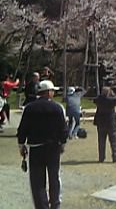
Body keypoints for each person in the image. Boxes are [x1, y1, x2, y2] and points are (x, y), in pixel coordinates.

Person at [17, 80, 68, 209]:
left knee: (37, 181)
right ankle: (55, 204)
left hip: (36, 148)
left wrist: (21, 144)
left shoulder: (30, 108)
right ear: (48, 92)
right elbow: (63, 129)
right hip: (53, 148)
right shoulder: (57, 108)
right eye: (52, 91)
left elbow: (23, 128)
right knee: (54, 177)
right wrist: (63, 143)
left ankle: (42, 206)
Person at [93, 86, 116, 163]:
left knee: (101, 141)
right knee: (113, 141)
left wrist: (102, 95)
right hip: (111, 123)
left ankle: (101, 157)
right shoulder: (112, 101)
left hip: (101, 123)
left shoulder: (99, 100)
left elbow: (95, 100)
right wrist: (112, 94)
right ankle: (115, 157)